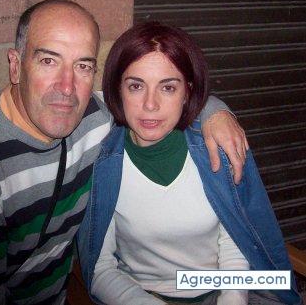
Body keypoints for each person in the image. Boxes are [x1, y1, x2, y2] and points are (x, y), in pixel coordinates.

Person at [0, 0, 247, 305]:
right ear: (16, 65)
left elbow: (151, 103)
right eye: (48, 61)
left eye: (83, 66)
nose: (67, 87)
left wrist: (216, 112)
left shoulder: (93, 116)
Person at [77, 22, 300, 305]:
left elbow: (238, 242)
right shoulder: (101, 161)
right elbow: (100, 269)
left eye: (168, 87)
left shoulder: (216, 147)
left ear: (187, 92)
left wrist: (231, 299)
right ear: (118, 89)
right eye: (136, 86)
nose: (150, 104)